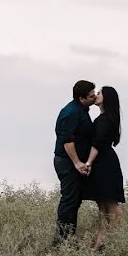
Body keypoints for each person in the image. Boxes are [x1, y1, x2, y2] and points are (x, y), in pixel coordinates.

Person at [82, 86, 125, 251]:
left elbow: (98, 143)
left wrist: (88, 162)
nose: (95, 95)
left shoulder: (107, 119)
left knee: (111, 202)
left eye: (99, 93)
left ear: (106, 97)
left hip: (105, 162)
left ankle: (121, 238)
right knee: (102, 203)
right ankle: (100, 241)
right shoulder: (104, 117)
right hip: (102, 162)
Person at [53, 80, 96, 241]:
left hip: (73, 162)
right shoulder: (70, 112)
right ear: (81, 98)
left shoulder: (83, 110)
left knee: (75, 199)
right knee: (69, 199)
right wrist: (77, 163)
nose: (94, 97)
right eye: (91, 96)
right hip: (66, 162)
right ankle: (62, 240)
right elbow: (67, 140)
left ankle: (69, 237)